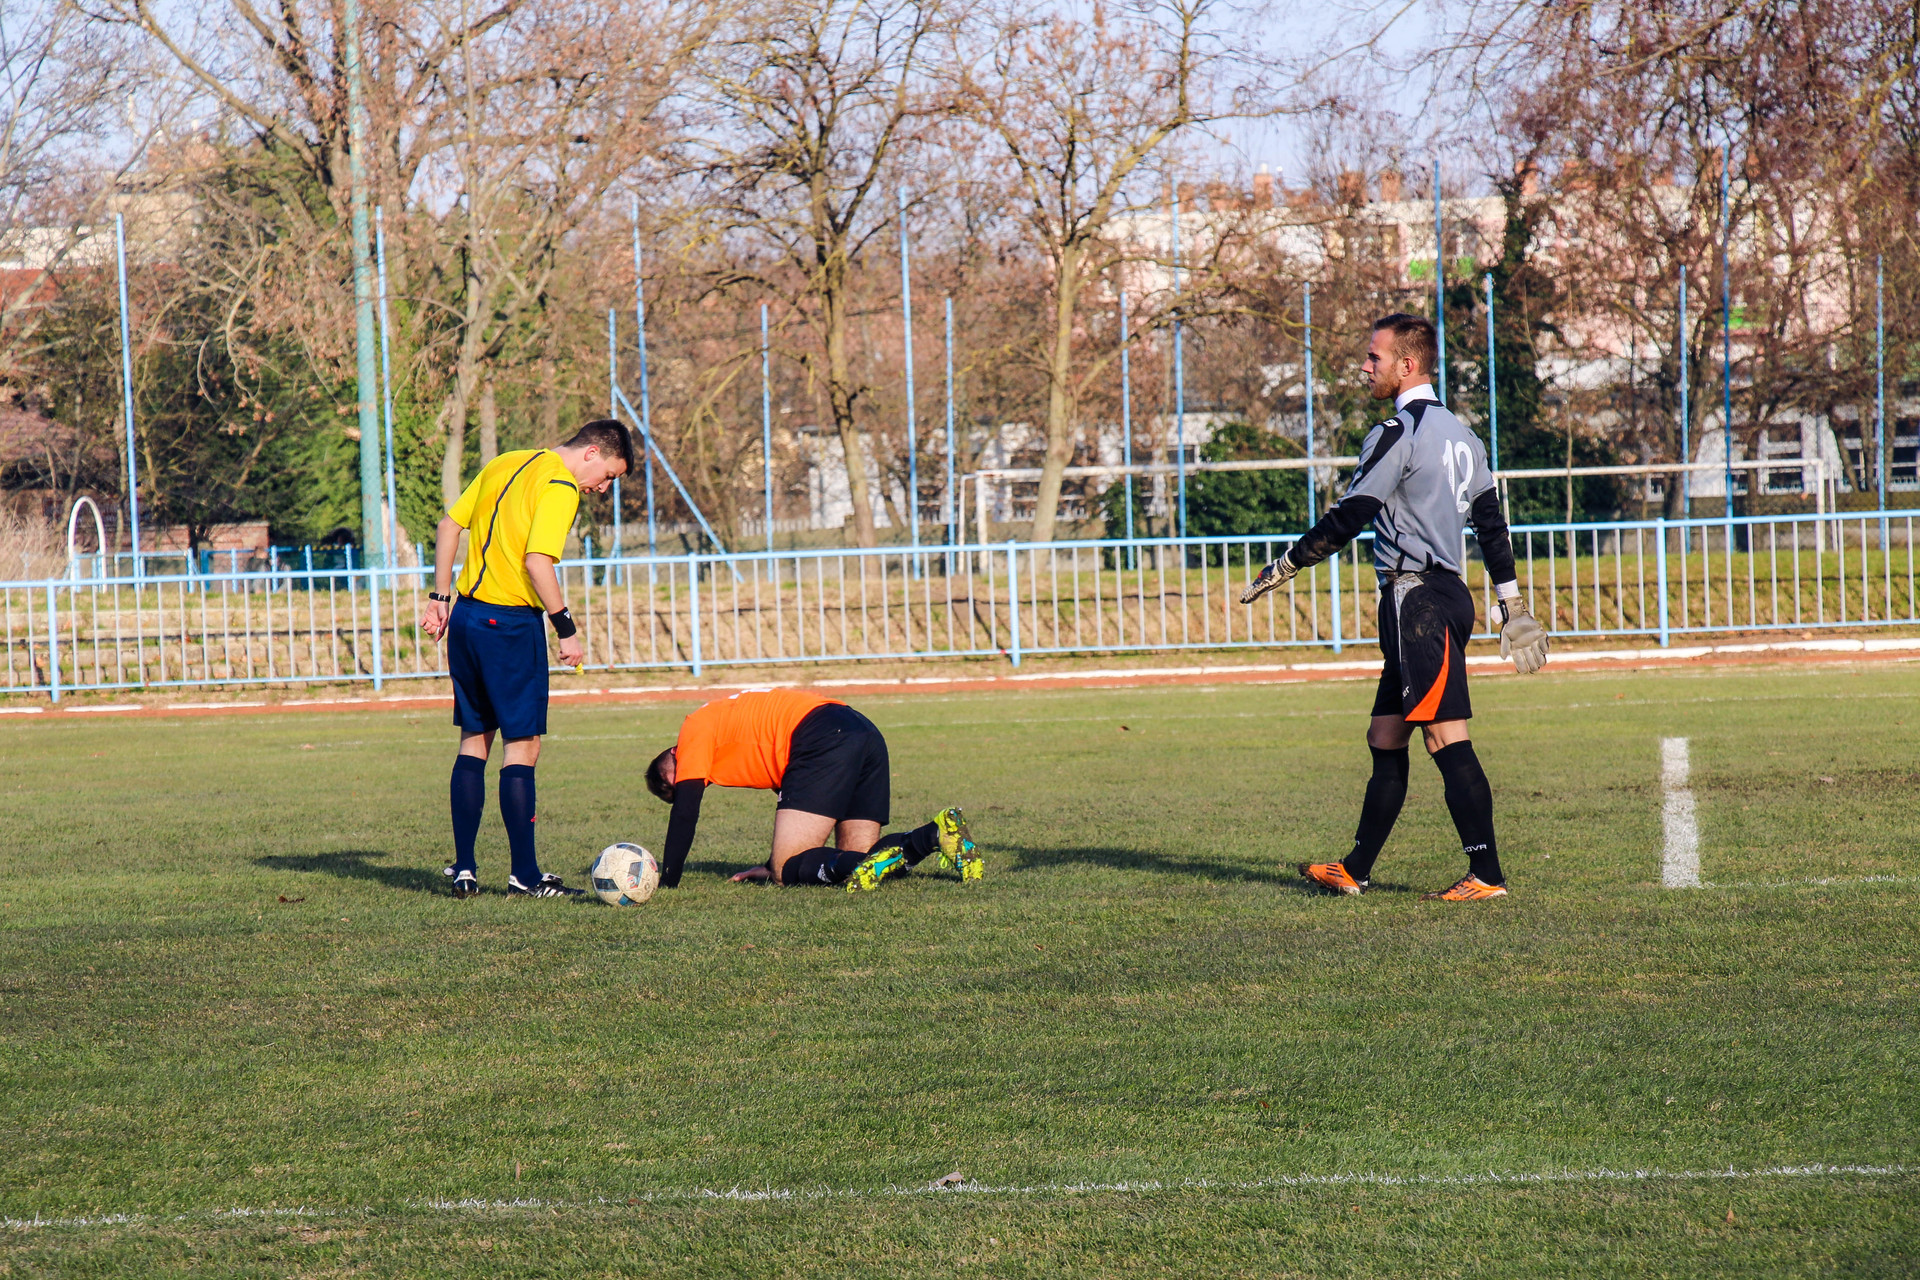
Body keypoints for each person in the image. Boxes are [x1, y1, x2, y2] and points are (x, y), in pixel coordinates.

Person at [1241, 313, 1548, 901]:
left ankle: (1487, 875)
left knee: (1444, 737)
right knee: (1385, 735)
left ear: (1406, 365)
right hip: (1437, 598)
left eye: (1374, 357)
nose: (1365, 367)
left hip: (1418, 602)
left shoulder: (1397, 431)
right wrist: (1510, 601)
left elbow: (1352, 514)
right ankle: (1354, 869)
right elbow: (1490, 524)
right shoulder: (1465, 436)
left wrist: (1287, 563)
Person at [420, 418, 633, 899]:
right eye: (608, 476)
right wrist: (566, 629)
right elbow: (537, 563)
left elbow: (449, 525)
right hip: (510, 626)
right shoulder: (560, 486)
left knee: (474, 740)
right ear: (592, 453)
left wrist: (439, 597)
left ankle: (465, 869)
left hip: (467, 619)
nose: (603, 488)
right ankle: (525, 875)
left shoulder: (507, 462)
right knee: (523, 746)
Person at [644, 688, 980, 892]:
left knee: (785, 869)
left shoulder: (695, 729)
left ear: (674, 755)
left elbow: (685, 812)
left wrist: (668, 881)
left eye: (679, 783)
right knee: (858, 861)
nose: (691, 785)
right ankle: (933, 835)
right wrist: (770, 861)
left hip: (821, 735)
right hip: (859, 729)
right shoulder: (738, 739)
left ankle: (891, 852)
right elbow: (804, 802)